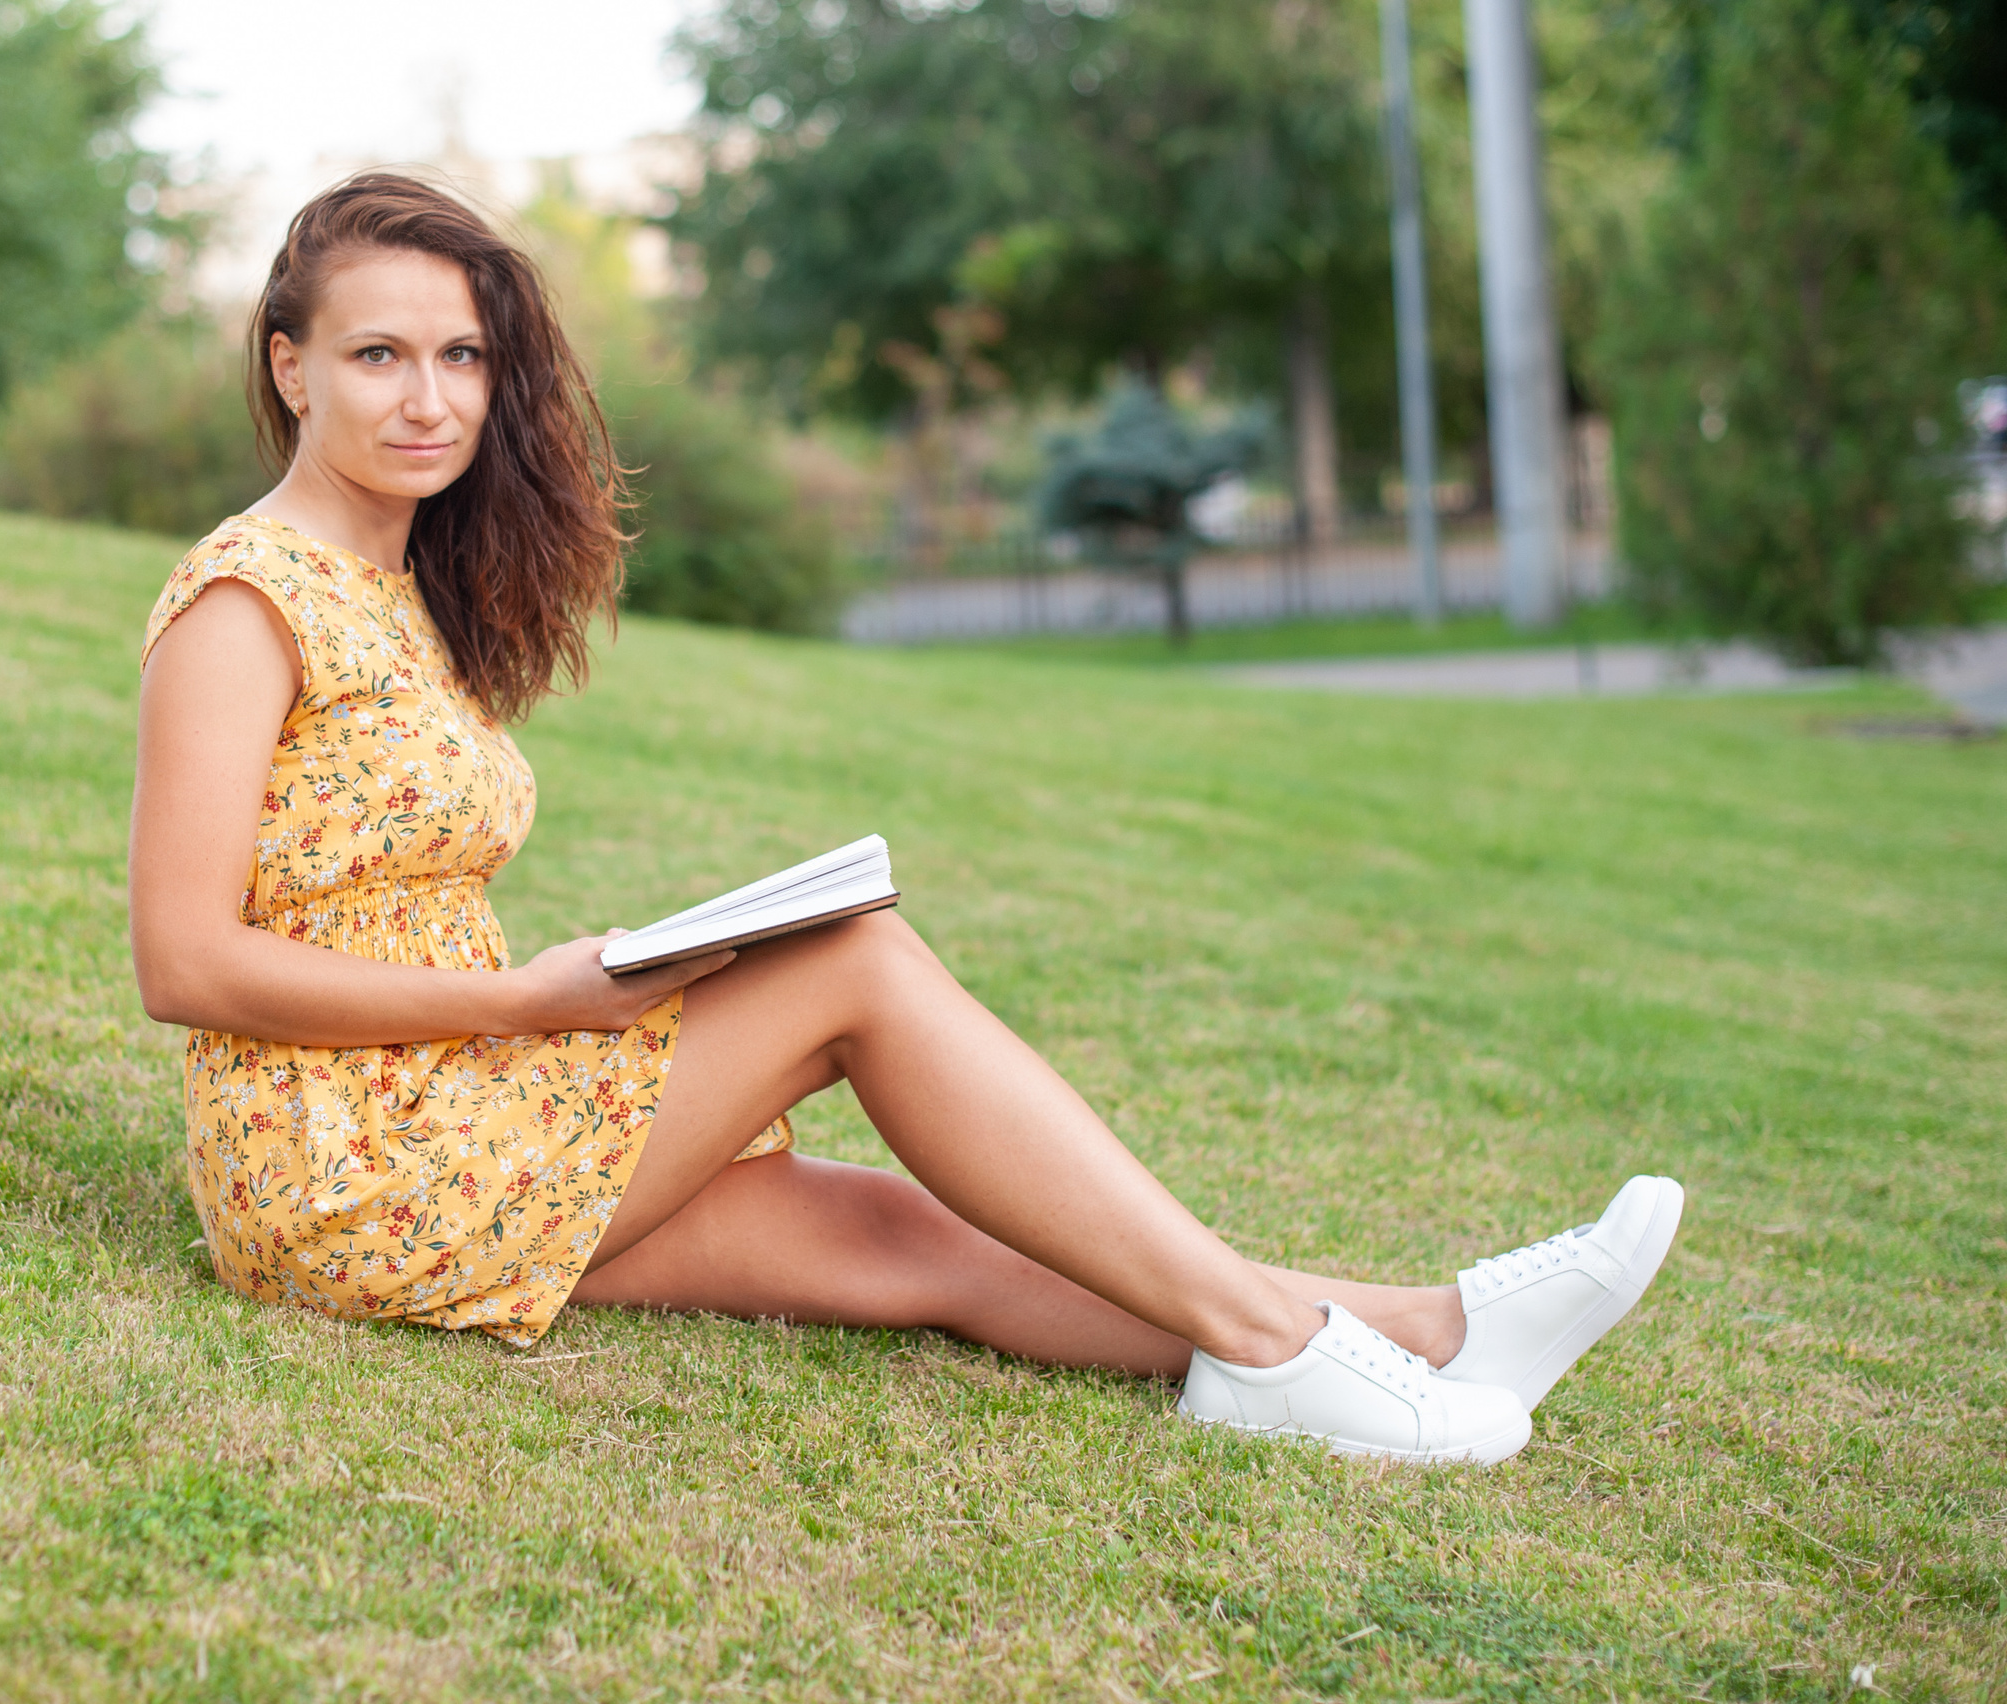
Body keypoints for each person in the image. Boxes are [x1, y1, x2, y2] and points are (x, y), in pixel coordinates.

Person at [127, 173, 1684, 1466]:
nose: (429, 398)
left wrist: (546, 1012)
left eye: (460, 357)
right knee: (855, 966)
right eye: (378, 356)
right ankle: (1288, 1350)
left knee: (902, 1243)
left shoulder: (397, 592)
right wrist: (527, 1000)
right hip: (343, 1160)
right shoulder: (246, 600)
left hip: (458, 1096)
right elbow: (185, 963)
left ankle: (1440, 1332)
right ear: (289, 368)